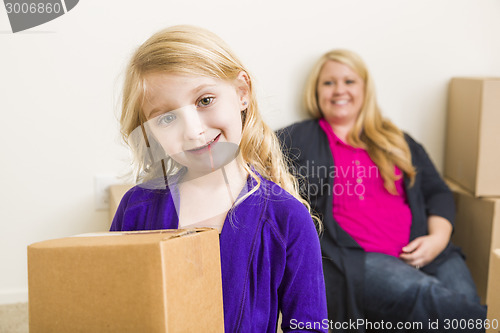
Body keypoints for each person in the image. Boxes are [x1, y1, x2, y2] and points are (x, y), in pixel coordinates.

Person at [110, 25, 328, 332]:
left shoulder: (288, 218)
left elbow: (309, 326)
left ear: (242, 92)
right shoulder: (135, 209)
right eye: (167, 118)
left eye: (204, 101)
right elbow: (112, 310)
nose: (194, 131)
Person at [277, 49, 487, 332]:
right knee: (441, 303)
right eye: (328, 83)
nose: (339, 90)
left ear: (365, 88)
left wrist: (437, 239)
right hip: (356, 261)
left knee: (464, 301)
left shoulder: (397, 139)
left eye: (349, 81)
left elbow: (437, 192)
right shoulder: (297, 139)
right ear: (315, 92)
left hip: (429, 250)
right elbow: (258, 165)